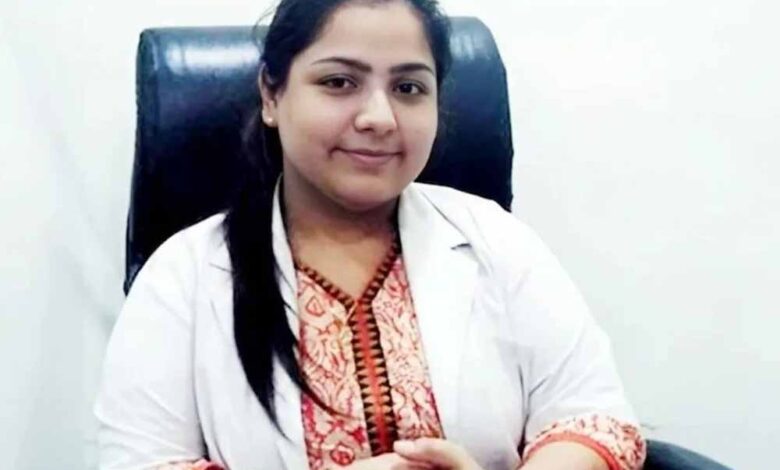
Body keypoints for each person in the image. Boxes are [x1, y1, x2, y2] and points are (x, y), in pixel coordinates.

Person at [94, 0, 647, 469]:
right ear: (271, 95)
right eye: (339, 82)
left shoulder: (498, 242)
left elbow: (592, 419)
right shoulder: (183, 278)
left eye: (408, 87)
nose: (380, 117)